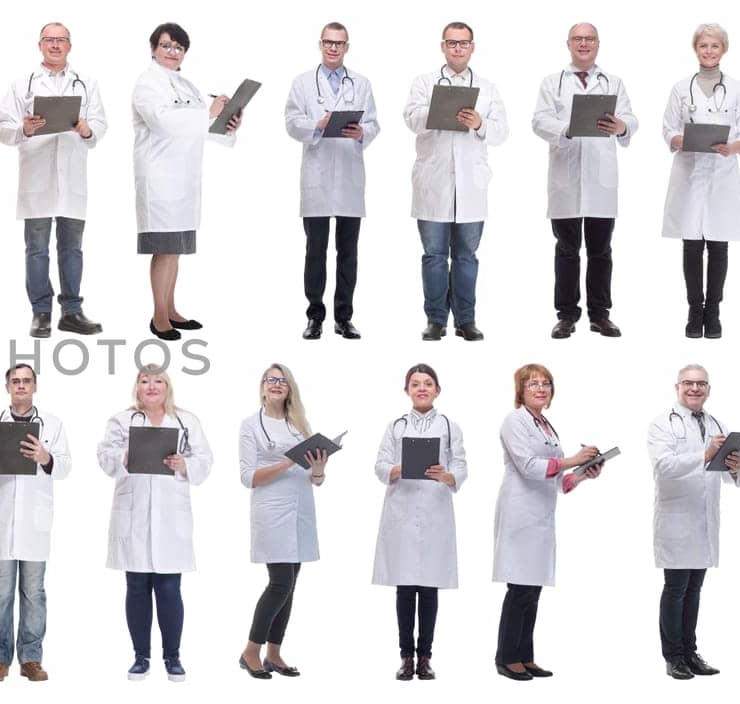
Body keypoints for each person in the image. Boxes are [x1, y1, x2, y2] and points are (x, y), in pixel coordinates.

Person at [97, 365, 213, 682]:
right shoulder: (122, 420)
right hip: (133, 514)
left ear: (167, 387)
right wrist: (124, 455)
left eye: (158, 380)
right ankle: (141, 657)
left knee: (169, 587)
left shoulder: (186, 421)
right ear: (136, 387)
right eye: (144, 381)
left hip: (170, 516)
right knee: (136, 587)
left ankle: (173, 657)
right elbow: (104, 455)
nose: (151, 386)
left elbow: (205, 460)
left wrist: (183, 463)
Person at [490, 364, 604, 681]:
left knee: (533, 589)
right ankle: (506, 657)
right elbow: (528, 466)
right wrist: (574, 460)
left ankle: (525, 655)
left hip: (541, 513)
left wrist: (582, 474)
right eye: (533, 384)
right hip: (520, 512)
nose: (541, 389)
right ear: (521, 391)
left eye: (546, 384)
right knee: (520, 588)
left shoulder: (546, 426)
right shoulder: (514, 421)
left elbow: (557, 479)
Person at [0, 22, 106, 339]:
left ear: (70, 45)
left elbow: (100, 124)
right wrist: (25, 129)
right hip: (37, 175)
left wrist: (85, 129)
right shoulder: (23, 83)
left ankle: (72, 312)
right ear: (39, 45)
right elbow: (2, 126)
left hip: (71, 176)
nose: (55, 45)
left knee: (73, 249)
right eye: (49, 40)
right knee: (37, 249)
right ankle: (41, 313)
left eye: (61, 40)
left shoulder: (86, 83)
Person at [133, 22, 239, 340]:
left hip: (185, 179)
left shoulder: (188, 86)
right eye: (166, 45)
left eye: (178, 48)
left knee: (175, 251)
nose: (172, 52)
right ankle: (159, 316)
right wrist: (208, 112)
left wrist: (227, 121)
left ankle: (172, 308)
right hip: (160, 180)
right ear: (153, 49)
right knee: (164, 250)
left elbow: (204, 127)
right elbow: (163, 122)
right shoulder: (146, 85)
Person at [404, 21, 507, 342]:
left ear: (472, 47)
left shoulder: (488, 88)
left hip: (472, 186)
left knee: (466, 257)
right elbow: (410, 118)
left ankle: (466, 320)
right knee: (434, 256)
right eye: (452, 43)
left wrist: (480, 123)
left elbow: (502, 132)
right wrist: (437, 111)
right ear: (443, 46)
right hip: (433, 184)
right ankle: (436, 320)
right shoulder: (424, 83)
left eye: (463, 44)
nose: (458, 49)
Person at [532, 23, 636, 339]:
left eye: (589, 38)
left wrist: (621, 126)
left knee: (601, 251)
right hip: (566, 180)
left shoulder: (613, 82)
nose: (584, 43)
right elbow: (539, 120)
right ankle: (566, 315)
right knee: (566, 251)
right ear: (568, 44)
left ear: (598, 44)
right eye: (578, 38)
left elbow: (630, 119)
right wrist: (566, 128)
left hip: (600, 182)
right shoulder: (553, 82)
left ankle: (600, 315)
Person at [0, 363, 71, 682]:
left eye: (27, 381)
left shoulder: (51, 424)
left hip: (34, 522)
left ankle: (31, 658)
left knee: (34, 592)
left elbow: (65, 467)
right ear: (7, 387)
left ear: (35, 386)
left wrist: (45, 457)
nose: (21, 386)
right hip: (1, 519)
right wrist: (2, 450)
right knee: (0, 593)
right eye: (15, 381)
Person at [647, 364, 740, 679]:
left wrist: (734, 466)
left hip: (703, 520)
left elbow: (725, 476)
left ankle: (690, 652)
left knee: (694, 590)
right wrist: (704, 454)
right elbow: (663, 466)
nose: (695, 389)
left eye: (701, 384)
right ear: (677, 387)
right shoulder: (662, 424)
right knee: (676, 589)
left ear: (708, 389)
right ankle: (673, 657)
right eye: (689, 383)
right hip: (676, 519)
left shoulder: (717, 423)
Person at [284, 22, 380, 340]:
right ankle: (315, 316)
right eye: (328, 42)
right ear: (320, 44)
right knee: (315, 251)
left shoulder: (362, 83)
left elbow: (373, 122)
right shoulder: (302, 83)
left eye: (339, 43)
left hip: (350, 176)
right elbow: (291, 121)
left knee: (348, 253)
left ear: (347, 47)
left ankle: (344, 317)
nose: (333, 48)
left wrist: (362, 132)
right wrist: (318, 124)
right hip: (317, 176)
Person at [372, 363, 466, 681]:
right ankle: (405, 658)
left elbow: (461, 465)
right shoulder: (395, 426)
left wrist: (447, 475)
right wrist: (399, 468)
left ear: (437, 390)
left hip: (436, 510)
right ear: (407, 391)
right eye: (415, 384)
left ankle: (425, 658)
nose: (422, 388)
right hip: (402, 509)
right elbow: (380, 464)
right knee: (404, 587)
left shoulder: (449, 427)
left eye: (428, 383)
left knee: (428, 589)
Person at [662, 24, 740, 339]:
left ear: (723, 49)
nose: (709, 51)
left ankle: (713, 313)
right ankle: (693, 310)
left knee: (718, 245)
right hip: (689, 171)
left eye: (715, 46)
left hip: (722, 173)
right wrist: (678, 140)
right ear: (695, 49)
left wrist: (734, 147)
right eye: (704, 46)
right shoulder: (680, 88)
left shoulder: (738, 89)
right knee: (691, 244)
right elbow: (668, 128)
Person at [237, 364, 327, 679]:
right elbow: (248, 476)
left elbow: (316, 479)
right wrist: (287, 460)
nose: (277, 384)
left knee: (290, 587)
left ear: (290, 389)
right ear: (262, 386)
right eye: (271, 379)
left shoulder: (300, 424)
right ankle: (251, 650)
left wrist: (317, 469)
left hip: (301, 510)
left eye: (283, 381)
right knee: (280, 583)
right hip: (271, 511)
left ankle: (274, 652)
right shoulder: (250, 425)